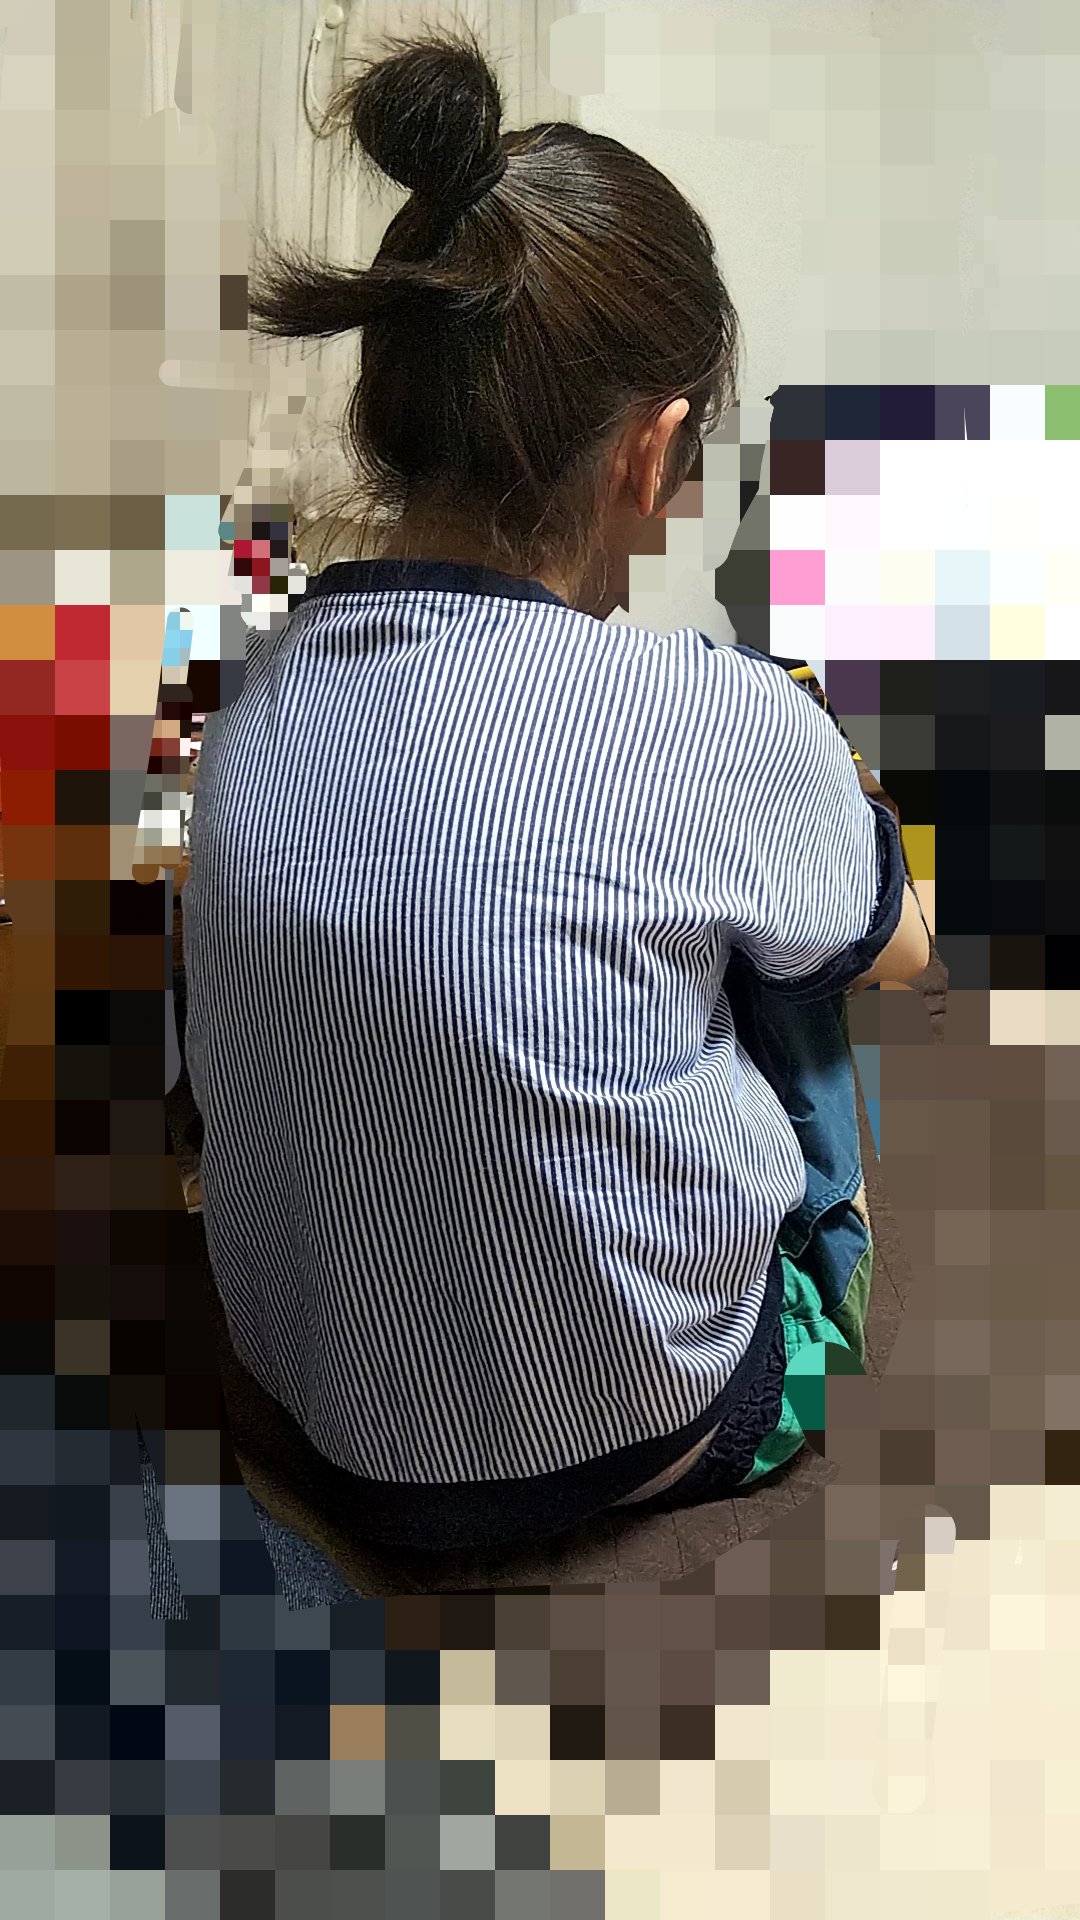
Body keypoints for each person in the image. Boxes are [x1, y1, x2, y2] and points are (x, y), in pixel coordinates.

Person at [181, 30, 930, 1556]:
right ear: (650, 456)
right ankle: (813, 1294)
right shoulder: (707, 716)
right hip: (648, 1426)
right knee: (809, 941)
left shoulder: (243, 695)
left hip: (304, 1406)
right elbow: (906, 955)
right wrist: (816, 781)